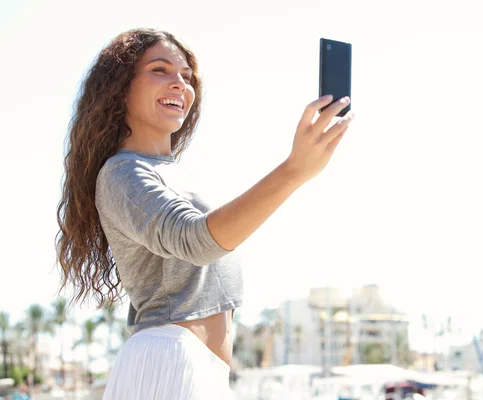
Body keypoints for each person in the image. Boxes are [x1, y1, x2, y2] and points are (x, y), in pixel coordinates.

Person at [55, 28, 353, 399]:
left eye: (186, 76)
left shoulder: (174, 175)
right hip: (169, 363)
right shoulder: (122, 173)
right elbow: (195, 240)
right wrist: (294, 171)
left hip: (199, 371)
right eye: (160, 70)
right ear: (119, 87)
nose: (180, 84)